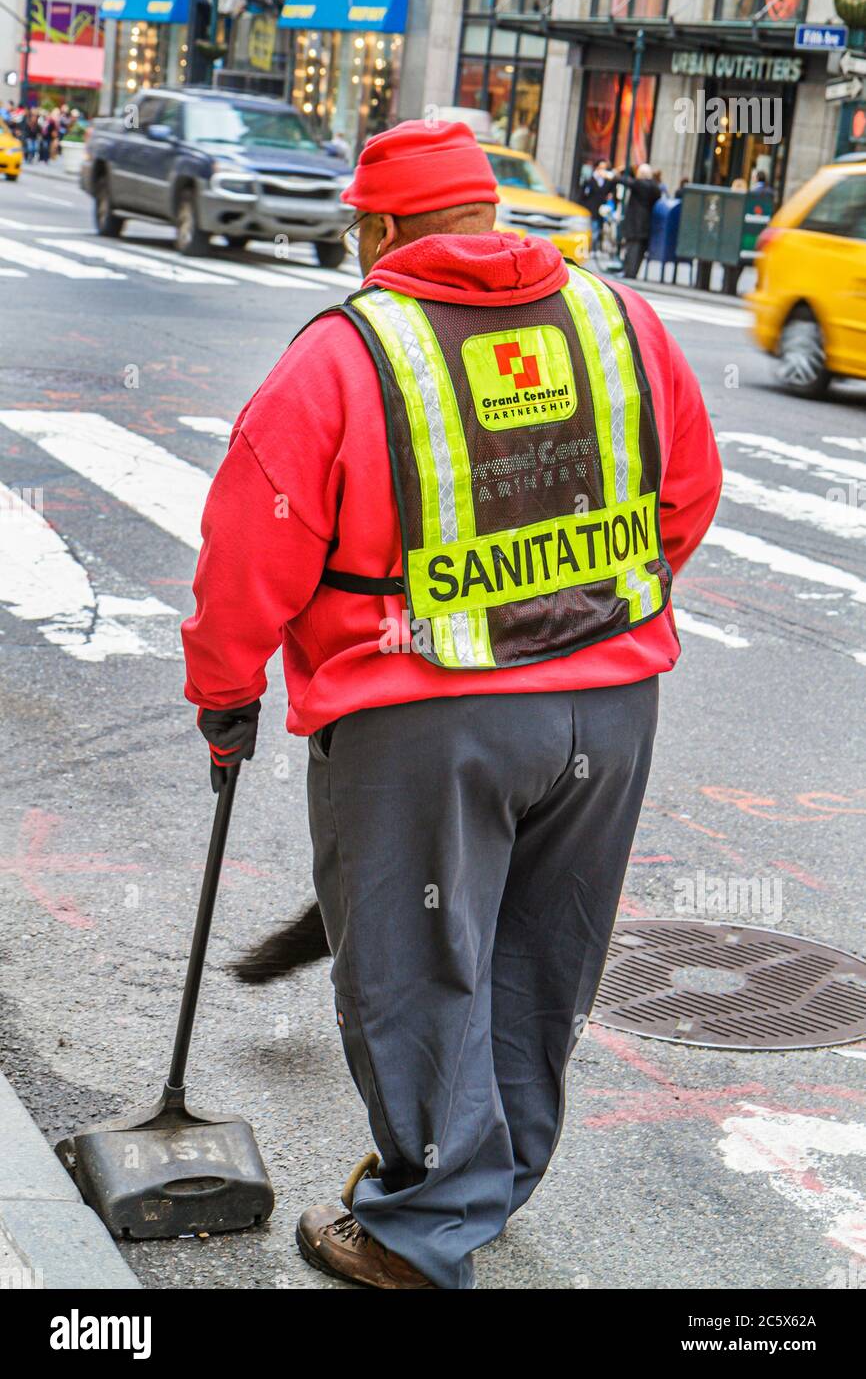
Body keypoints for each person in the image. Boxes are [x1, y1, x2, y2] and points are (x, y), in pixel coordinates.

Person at [181, 119, 722, 1291]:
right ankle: (482, 1180)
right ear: (487, 212)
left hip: (422, 720)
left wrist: (224, 693)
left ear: (375, 230)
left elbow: (249, 549)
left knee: (417, 959)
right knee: (540, 955)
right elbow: (688, 490)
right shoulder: (615, 319)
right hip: (610, 706)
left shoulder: (344, 351)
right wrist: (589, 614)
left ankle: (422, 1227)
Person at [578, 157, 616, 253]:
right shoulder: (589, 180)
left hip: (601, 209)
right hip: (590, 208)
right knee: (591, 228)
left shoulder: (608, 181)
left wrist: (611, 195)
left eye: (604, 168)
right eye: (600, 168)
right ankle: (588, 247)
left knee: (598, 228)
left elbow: (612, 191)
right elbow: (583, 195)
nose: (602, 170)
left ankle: (594, 248)